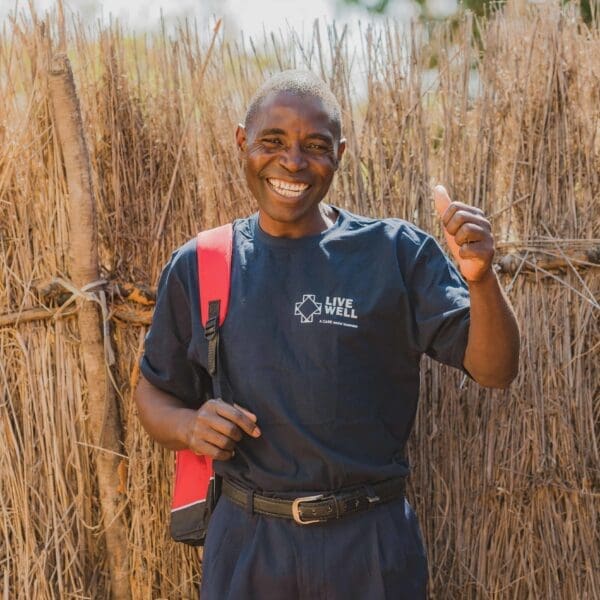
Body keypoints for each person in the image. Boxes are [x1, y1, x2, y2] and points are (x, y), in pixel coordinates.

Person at [134, 70, 520, 599]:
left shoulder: (393, 254)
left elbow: (496, 369)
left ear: (339, 153)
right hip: (248, 547)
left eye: (314, 146)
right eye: (273, 141)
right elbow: (152, 391)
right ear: (242, 141)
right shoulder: (203, 263)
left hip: (370, 548)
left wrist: (481, 279)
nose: (292, 162)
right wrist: (187, 424)